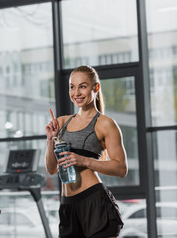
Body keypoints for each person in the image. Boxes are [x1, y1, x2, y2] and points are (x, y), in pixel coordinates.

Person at [45, 65, 127, 238]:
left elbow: (121, 169)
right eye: (72, 87)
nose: (76, 93)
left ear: (96, 87)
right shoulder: (61, 122)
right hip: (67, 205)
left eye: (83, 86)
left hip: (95, 203)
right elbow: (52, 169)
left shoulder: (105, 123)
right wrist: (50, 140)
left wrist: (83, 161)